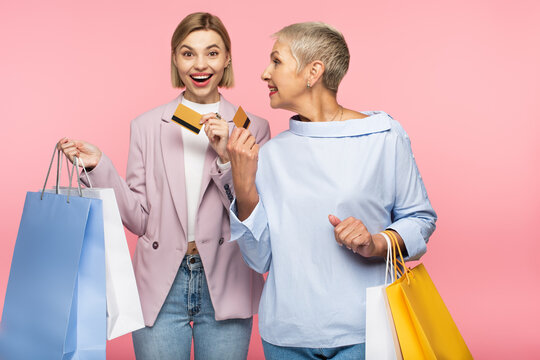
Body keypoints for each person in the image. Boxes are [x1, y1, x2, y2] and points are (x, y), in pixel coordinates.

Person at [58, 12, 270, 360]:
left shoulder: (252, 128)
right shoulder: (145, 126)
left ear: (228, 57)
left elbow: (251, 215)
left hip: (227, 279)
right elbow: (138, 220)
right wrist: (99, 166)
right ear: (175, 58)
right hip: (160, 284)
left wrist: (227, 159)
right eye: (188, 53)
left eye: (212, 53)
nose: (200, 64)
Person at [227, 22, 437, 360]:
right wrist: (243, 185)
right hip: (286, 335)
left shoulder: (383, 136)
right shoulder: (269, 154)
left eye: (276, 61)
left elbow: (420, 218)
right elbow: (259, 258)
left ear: (313, 71)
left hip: (367, 331)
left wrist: (375, 242)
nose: (265, 73)